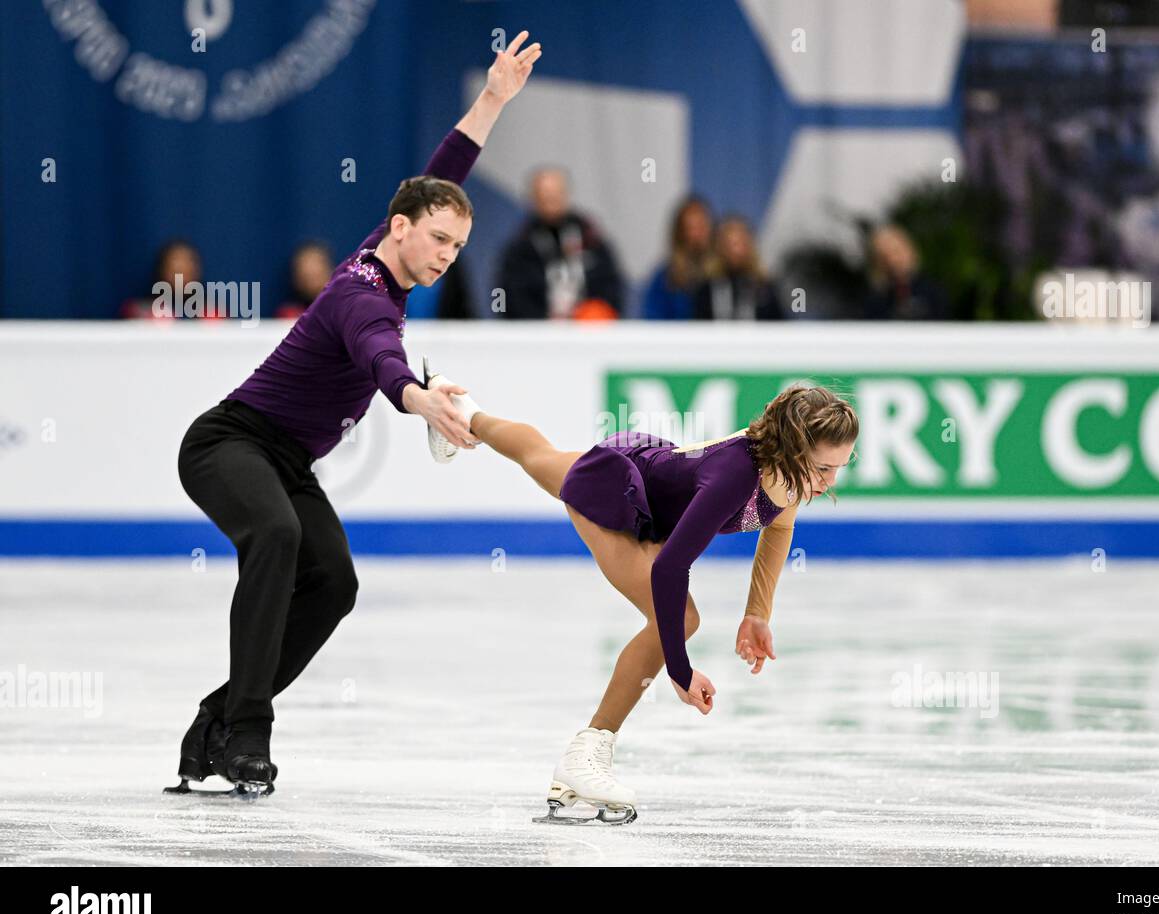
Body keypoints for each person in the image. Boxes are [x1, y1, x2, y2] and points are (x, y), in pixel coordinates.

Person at [167, 31, 542, 797]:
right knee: (274, 534)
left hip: (285, 460)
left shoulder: (391, 249)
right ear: (400, 229)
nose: (447, 256)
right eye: (438, 240)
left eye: (458, 245)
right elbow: (381, 361)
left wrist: (493, 100)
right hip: (226, 443)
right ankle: (246, 733)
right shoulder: (359, 294)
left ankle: (217, 715)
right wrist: (420, 401)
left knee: (334, 582)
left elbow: (441, 176)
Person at [432, 382, 858, 822]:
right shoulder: (737, 476)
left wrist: (757, 613)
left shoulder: (787, 474)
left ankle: (463, 412)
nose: (829, 482)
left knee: (538, 454)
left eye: (839, 469)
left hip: (641, 471)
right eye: (824, 468)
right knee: (680, 618)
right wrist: (679, 669)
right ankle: (586, 753)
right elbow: (669, 569)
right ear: (791, 449)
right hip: (613, 495)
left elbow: (779, 527)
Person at [494, 167, 624, 319]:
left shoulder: (592, 240)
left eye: (555, 195)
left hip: (587, 333)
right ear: (533, 198)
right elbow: (511, 299)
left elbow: (612, 289)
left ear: (566, 194)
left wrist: (592, 313)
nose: (550, 201)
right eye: (544, 196)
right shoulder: (519, 249)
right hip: (537, 334)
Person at [693, 216, 784, 320]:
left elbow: (779, 327)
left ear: (749, 246)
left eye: (739, 243)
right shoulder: (706, 290)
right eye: (729, 244)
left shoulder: (765, 289)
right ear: (720, 248)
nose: (734, 250)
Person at [641, 195, 716, 320]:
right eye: (691, 228)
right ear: (680, 233)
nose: (697, 234)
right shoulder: (665, 278)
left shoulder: (723, 275)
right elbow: (652, 321)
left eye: (701, 227)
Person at [120, 239, 223, 321]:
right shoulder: (139, 313)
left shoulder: (213, 316)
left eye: (186, 271)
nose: (182, 276)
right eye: (176, 270)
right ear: (162, 270)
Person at [862, 224, 949, 320]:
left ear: (909, 251)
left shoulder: (934, 292)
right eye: (884, 257)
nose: (892, 260)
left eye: (896, 252)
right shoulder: (875, 299)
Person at [275, 241, 334, 318]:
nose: (310, 271)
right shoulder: (288, 314)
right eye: (306, 275)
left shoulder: (344, 310)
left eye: (316, 275)